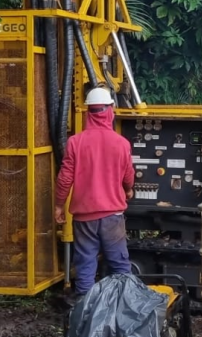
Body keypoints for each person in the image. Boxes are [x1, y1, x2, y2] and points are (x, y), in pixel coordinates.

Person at [54, 87, 135, 301]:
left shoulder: (75, 142)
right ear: (110, 110)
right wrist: (128, 190)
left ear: (89, 112)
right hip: (112, 217)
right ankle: (123, 309)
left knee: (86, 263)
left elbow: (64, 178)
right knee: (119, 264)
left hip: (84, 218)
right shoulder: (121, 143)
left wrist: (59, 205)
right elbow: (128, 175)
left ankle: (85, 312)